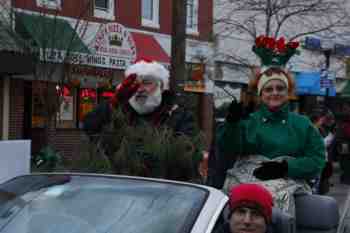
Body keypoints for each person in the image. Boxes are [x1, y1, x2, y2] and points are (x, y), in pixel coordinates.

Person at [216, 36, 326, 215]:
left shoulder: (302, 124)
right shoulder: (249, 120)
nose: (275, 93)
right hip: (245, 178)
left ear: (288, 92)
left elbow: (317, 160)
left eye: (280, 88)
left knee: (272, 202)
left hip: (287, 182)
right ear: (261, 94)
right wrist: (232, 124)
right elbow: (229, 149)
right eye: (268, 89)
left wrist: (285, 168)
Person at [83, 59, 204, 181]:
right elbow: (90, 127)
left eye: (146, 83)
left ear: (161, 87)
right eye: (135, 84)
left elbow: (188, 156)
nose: (140, 89)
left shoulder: (180, 116)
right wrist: (114, 103)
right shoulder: (120, 113)